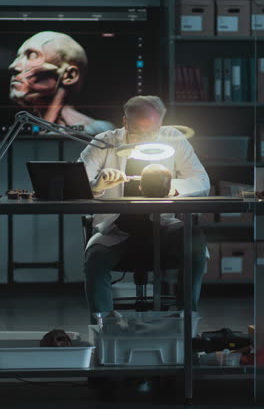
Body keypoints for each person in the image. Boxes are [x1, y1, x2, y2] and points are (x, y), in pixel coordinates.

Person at [79, 95, 210, 318]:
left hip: (163, 227)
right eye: (139, 131)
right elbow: (76, 184)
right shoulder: (105, 142)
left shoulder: (173, 139)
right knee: (95, 259)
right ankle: (105, 328)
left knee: (194, 240)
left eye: (152, 131)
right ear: (125, 122)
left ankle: (185, 319)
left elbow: (202, 182)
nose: (146, 139)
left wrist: (170, 187)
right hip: (115, 229)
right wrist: (97, 185)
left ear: (161, 123)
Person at [8, 31, 113, 134]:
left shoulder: (98, 132)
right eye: (19, 57)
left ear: (69, 75)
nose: (13, 66)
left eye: (32, 55)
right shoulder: (30, 128)